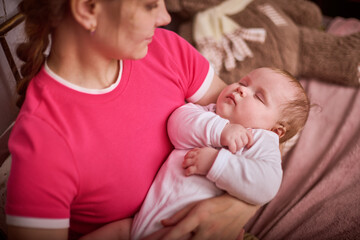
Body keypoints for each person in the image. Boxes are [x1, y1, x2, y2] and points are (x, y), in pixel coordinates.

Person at [5, 0, 260, 239]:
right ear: (86, 9)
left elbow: (262, 130)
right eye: (149, 5)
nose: (165, 16)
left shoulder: (165, 49)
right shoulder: (44, 145)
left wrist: (237, 207)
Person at [130, 67, 310, 239]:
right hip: (141, 221)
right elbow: (176, 125)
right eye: (243, 82)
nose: (241, 90)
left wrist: (216, 163)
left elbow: (267, 185)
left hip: (191, 231)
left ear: (276, 131)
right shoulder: (210, 113)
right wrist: (221, 130)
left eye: (259, 97)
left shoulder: (261, 140)